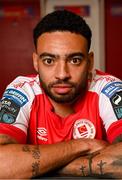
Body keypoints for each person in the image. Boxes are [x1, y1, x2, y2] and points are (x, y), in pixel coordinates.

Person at [0, 10, 122, 179]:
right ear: (36, 62)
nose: (62, 74)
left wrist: (40, 164)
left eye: (75, 60)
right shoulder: (22, 91)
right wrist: (82, 146)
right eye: (49, 61)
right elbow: (2, 164)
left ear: (90, 62)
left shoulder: (108, 89)